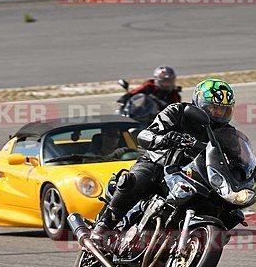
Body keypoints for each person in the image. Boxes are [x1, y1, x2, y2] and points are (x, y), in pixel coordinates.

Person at [92, 79, 236, 249]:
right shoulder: (178, 111)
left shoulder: (227, 132)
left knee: (231, 208)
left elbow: (236, 158)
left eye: (224, 109)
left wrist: (254, 171)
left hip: (192, 175)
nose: (219, 113)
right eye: (215, 107)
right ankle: (104, 226)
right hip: (158, 163)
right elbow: (145, 135)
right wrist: (163, 139)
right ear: (200, 103)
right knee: (137, 179)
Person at [117, 66, 182, 110]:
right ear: (157, 80)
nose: (166, 84)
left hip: (158, 122)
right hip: (142, 114)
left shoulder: (175, 95)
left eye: (169, 81)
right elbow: (136, 91)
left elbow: (175, 111)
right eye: (163, 81)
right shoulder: (149, 86)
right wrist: (125, 98)